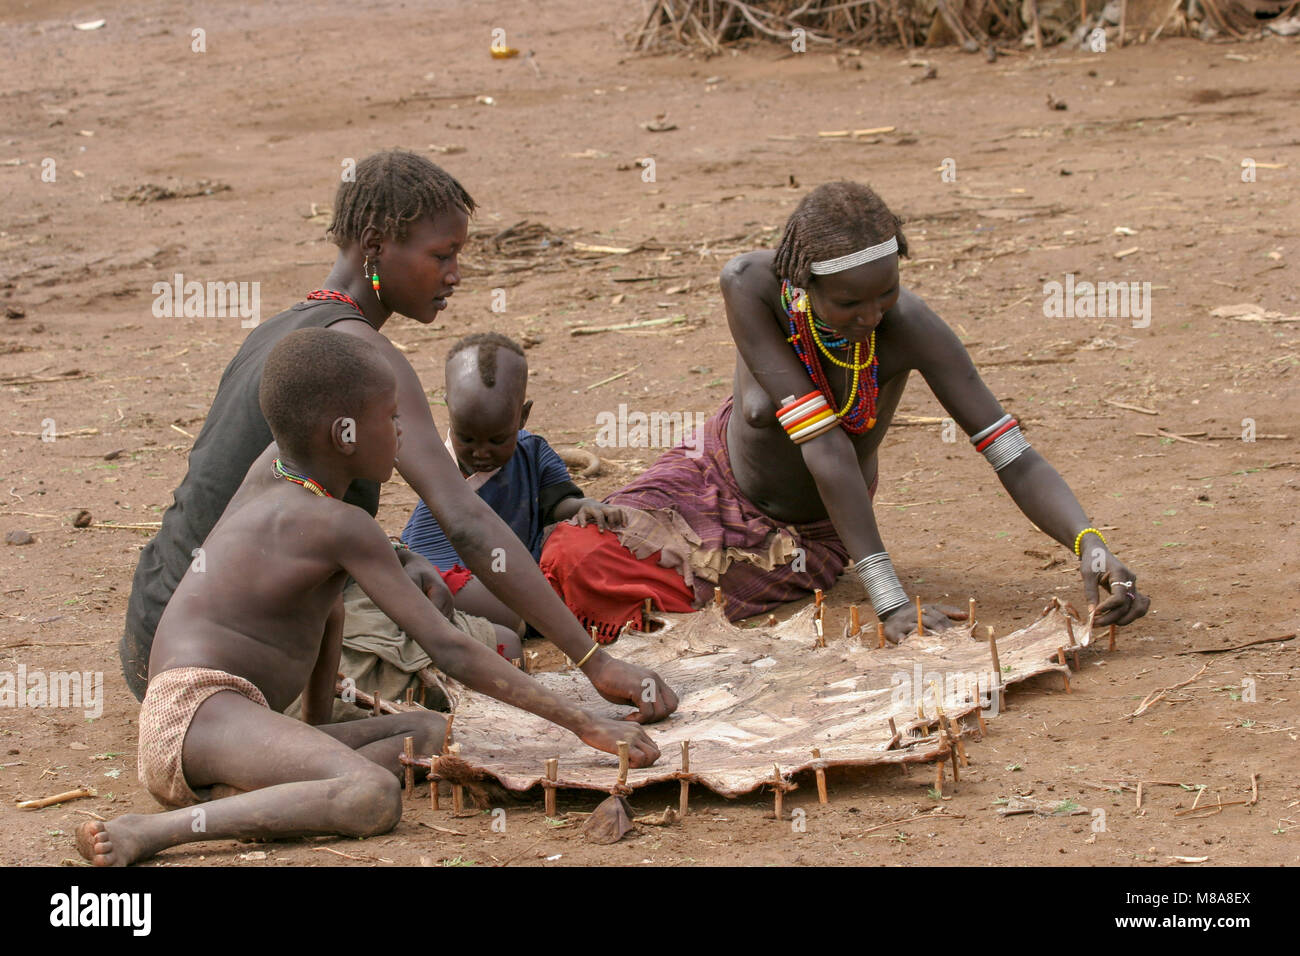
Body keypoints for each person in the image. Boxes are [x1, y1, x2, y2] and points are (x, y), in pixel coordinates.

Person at [120, 149, 677, 720]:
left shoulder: (281, 332)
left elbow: (266, 496)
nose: (454, 275)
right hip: (224, 666)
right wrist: (594, 661)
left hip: (160, 622)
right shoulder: (362, 355)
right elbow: (463, 519)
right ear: (376, 245)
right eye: (442, 255)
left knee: (478, 617)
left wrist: (393, 552)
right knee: (496, 651)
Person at [76, 330, 660, 867]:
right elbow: (449, 649)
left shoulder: (279, 472)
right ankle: (148, 833)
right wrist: (584, 723)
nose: (402, 434)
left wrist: (317, 725)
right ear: (344, 435)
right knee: (373, 795)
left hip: (226, 718)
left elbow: (325, 604)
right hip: (195, 713)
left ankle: (277, 790)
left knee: (432, 734)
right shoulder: (339, 525)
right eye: (391, 418)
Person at [541, 181, 1151, 643]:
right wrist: (892, 601)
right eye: (850, 302)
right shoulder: (752, 288)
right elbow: (820, 440)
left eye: (886, 291)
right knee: (569, 548)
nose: (873, 315)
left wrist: (1090, 544)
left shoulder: (913, 331)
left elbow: (1012, 457)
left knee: (606, 589)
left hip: (795, 535)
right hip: (703, 477)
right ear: (800, 283)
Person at [400, 332, 623, 634]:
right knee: (441, 590)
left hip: (521, 573)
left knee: (593, 547)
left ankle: (530, 618)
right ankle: (531, 621)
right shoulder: (439, 469)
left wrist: (582, 506)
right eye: (466, 438)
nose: (481, 453)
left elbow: (557, 504)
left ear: (522, 416)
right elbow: (426, 552)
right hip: (461, 576)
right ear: (449, 410)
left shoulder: (532, 452)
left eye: (497, 440)